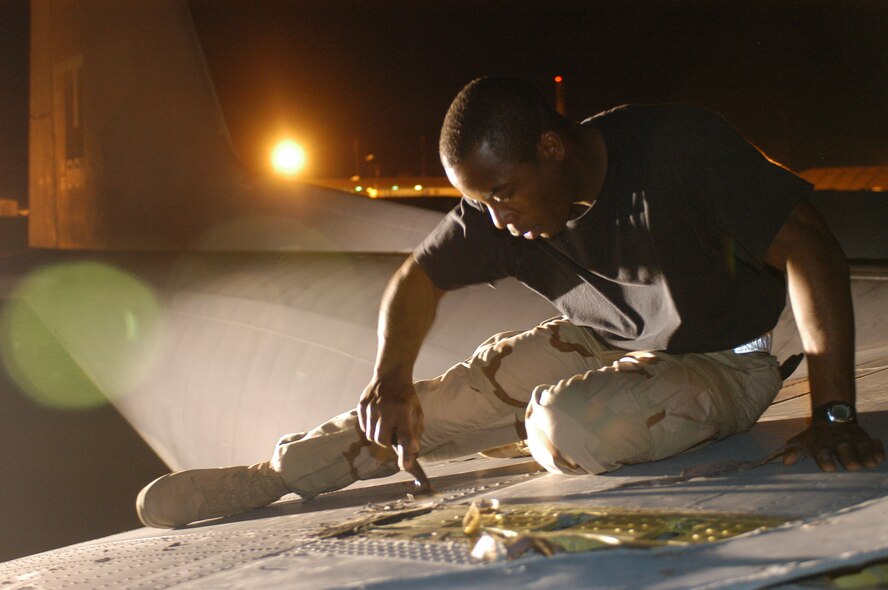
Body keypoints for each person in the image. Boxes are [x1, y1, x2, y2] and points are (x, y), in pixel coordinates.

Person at [137, 77, 884, 529]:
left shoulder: (678, 150)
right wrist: (392, 380)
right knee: (438, 401)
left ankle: (526, 427)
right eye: (477, 201)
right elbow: (414, 282)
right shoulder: (501, 205)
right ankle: (275, 476)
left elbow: (813, 249)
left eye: (500, 193)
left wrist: (834, 413)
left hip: (723, 359)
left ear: (553, 150)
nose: (494, 219)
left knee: (570, 427)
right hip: (604, 339)